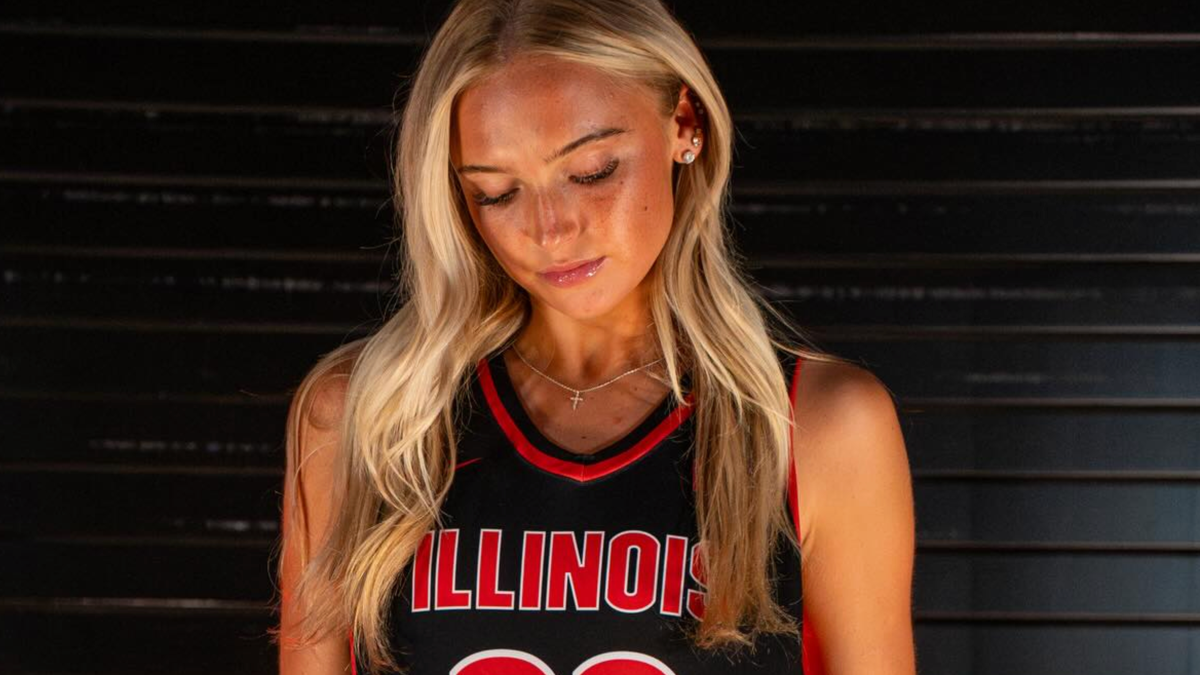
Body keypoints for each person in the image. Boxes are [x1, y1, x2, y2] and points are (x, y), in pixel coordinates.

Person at [272, 0, 916, 673]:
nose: (550, 229)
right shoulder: (362, 419)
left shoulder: (820, 426)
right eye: (498, 193)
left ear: (685, 124)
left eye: (591, 172)